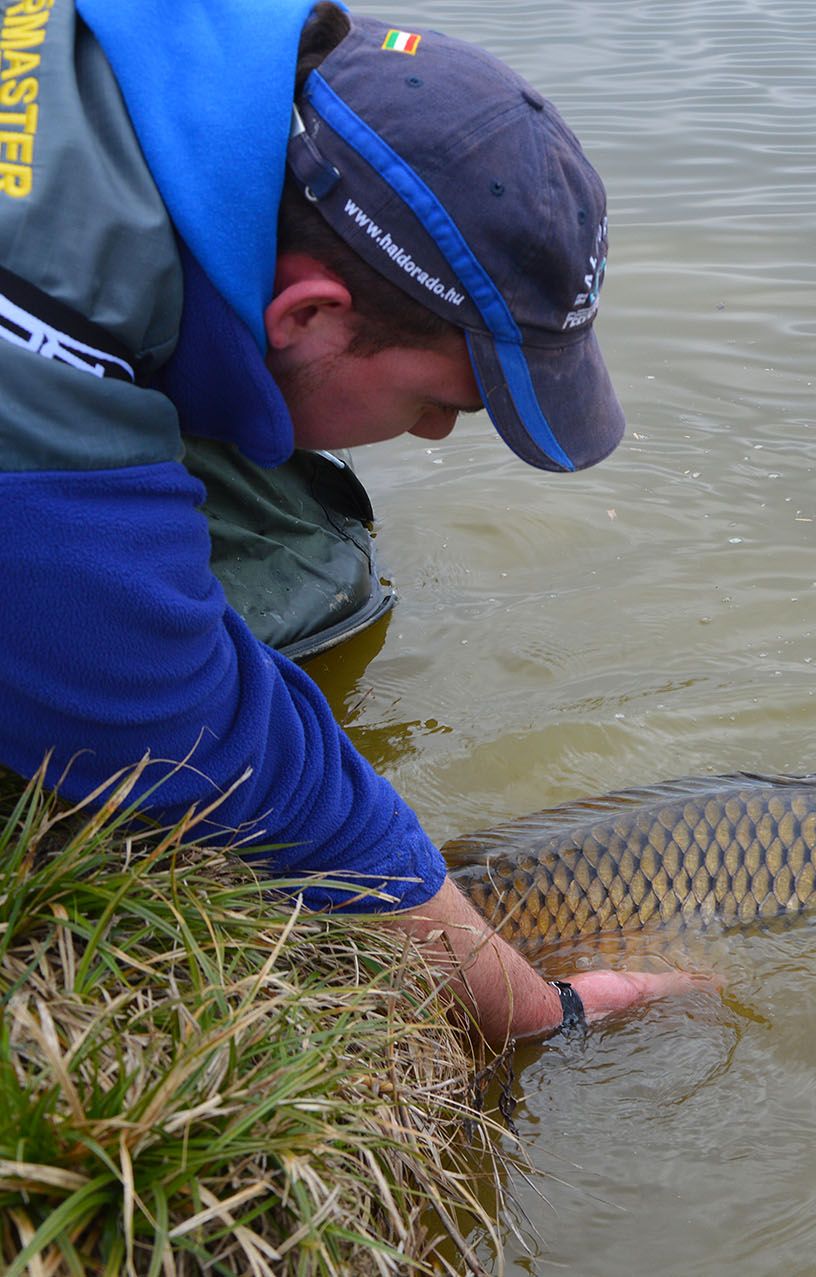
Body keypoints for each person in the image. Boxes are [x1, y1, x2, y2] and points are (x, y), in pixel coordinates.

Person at [0, 0, 695, 1041]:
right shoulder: (34, 331)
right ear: (311, 314)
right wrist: (525, 1004)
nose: (431, 439)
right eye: (443, 403)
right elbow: (188, 727)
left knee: (294, 535)